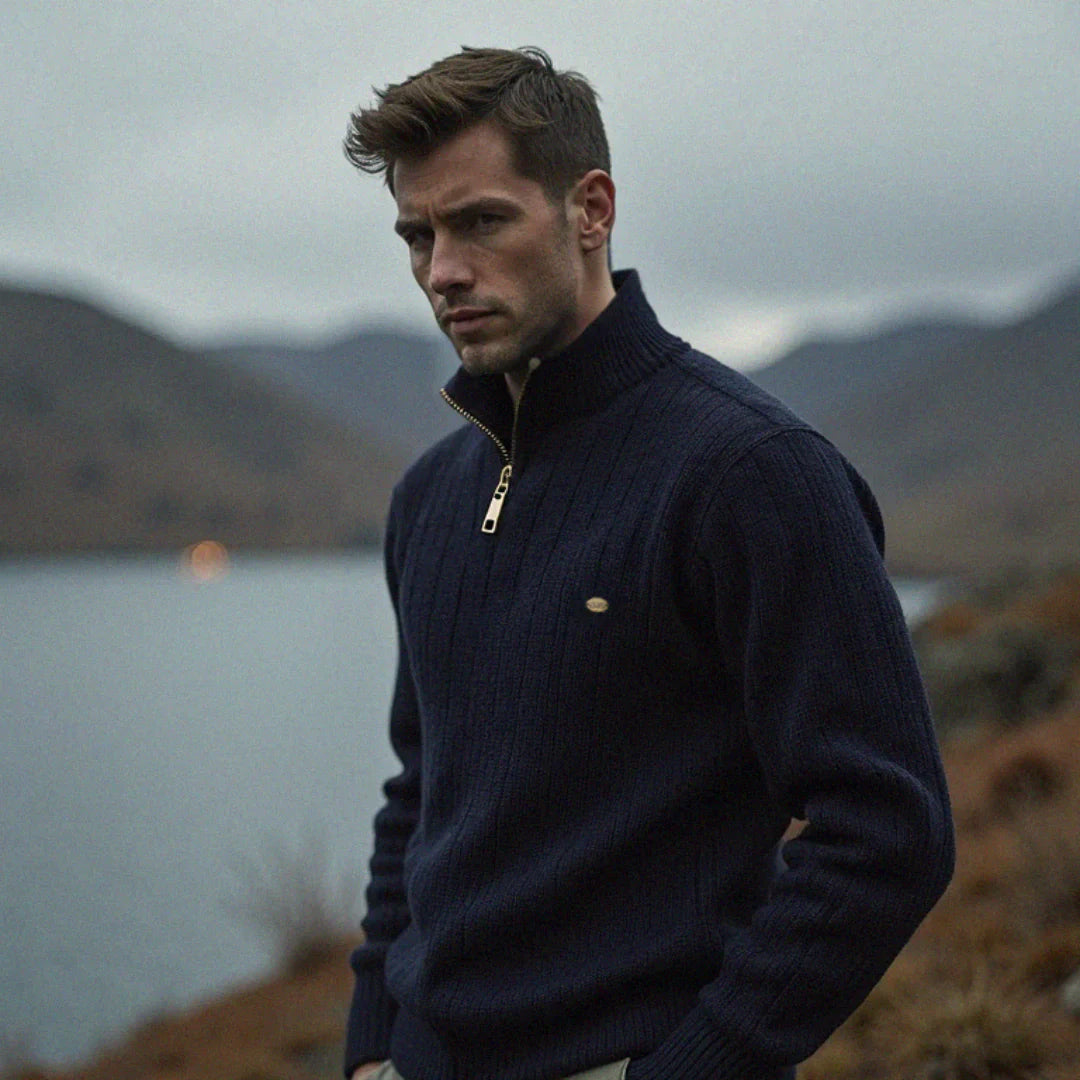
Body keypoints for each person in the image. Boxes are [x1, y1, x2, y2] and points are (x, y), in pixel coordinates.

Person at [341, 46, 954, 1080]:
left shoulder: (752, 475)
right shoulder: (429, 498)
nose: (443, 270)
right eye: (418, 234)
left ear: (591, 209)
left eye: (482, 221)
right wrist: (369, 1044)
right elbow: (421, 792)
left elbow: (890, 831)